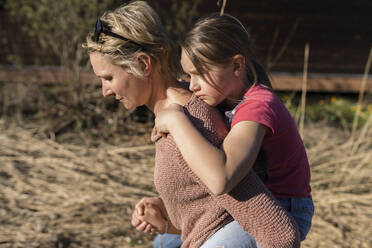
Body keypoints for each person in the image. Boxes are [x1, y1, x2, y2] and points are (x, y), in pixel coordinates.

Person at [83, 1, 300, 247]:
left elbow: (273, 225)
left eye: (108, 78)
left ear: (144, 64)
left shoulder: (189, 118)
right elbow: (202, 190)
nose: (105, 91)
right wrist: (169, 209)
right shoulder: (173, 113)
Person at [154, 12, 314, 246]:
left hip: (281, 207)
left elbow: (223, 177)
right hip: (242, 201)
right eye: (189, 75)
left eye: (200, 73)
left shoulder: (257, 107)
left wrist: (176, 122)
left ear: (237, 65)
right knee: (164, 243)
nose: (192, 85)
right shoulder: (224, 99)